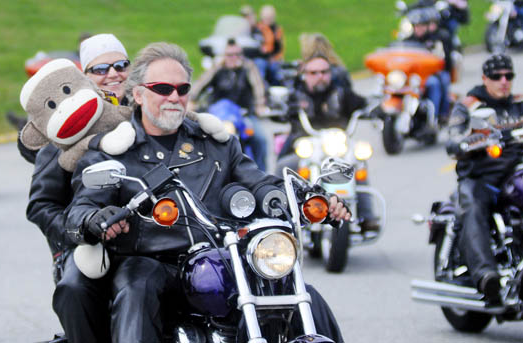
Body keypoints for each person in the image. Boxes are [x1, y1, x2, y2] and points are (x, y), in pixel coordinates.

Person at [63, 42, 349, 343]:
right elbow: (80, 209)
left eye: (182, 89)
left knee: (296, 289)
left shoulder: (216, 144)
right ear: (138, 94)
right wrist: (97, 218)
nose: (174, 97)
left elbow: (260, 183)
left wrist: (308, 200)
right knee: (137, 285)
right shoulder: (114, 150)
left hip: (220, 258)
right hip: (151, 260)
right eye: (162, 88)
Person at [27, 33, 130, 343]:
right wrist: (80, 232)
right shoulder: (61, 134)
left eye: (121, 64)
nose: (113, 74)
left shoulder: (144, 114)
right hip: (86, 244)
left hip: (152, 236)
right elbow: (40, 206)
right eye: (100, 69)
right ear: (84, 77)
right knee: (73, 289)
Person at [446, 54, 523, 304]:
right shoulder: (469, 105)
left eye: (509, 76)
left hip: (521, 172)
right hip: (483, 175)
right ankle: (487, 275)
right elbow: (453, 138)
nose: (504, 81)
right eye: (497, 76)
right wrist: (470, 141)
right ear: (485, 78)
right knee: (473, 205)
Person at [275, 53, 379, 233]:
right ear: (305, 74)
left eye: (324, 72)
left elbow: (364, 104)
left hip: (337, 145)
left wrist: (377, 108)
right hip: (305, 145)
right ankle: (279, 217)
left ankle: (367, 216)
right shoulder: (295, 97)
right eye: (313, 73)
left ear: (330, 73)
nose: (319, 77)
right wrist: (279, 110)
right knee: (283, 166)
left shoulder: (342, 93)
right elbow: (278, 108)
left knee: (358, 165)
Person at [188, 39, 270, 171]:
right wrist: (191, 100)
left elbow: (258, 87)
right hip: (219, 116)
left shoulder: (248, 67)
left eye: (238, 54)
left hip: (244, 115)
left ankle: (263, 175)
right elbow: (200, 84)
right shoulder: (218, 67)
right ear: (224, 55)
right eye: (230, 55)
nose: (234, 58)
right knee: (196, 137)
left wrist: (260, 105)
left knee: (260, 139)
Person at [405, 7, 455, 124]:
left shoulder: (436, 40)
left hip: (432, 74)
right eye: (416, 26)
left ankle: (436, 116)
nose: (419, 29)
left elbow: (443, 60)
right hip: (414, 76)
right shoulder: (408, 41)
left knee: (435, 82)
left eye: (422, 25)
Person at [256, 4, 285, 85]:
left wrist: (275, 58)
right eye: (266, 17)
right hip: (260, 58)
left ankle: (276, 88)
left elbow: (280, 48)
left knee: (276, 69)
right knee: (260, 64)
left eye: (270, 17)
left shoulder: (277, 29)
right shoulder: (257, 28)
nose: (268, 20)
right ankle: (261, 86)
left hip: (273, 59)